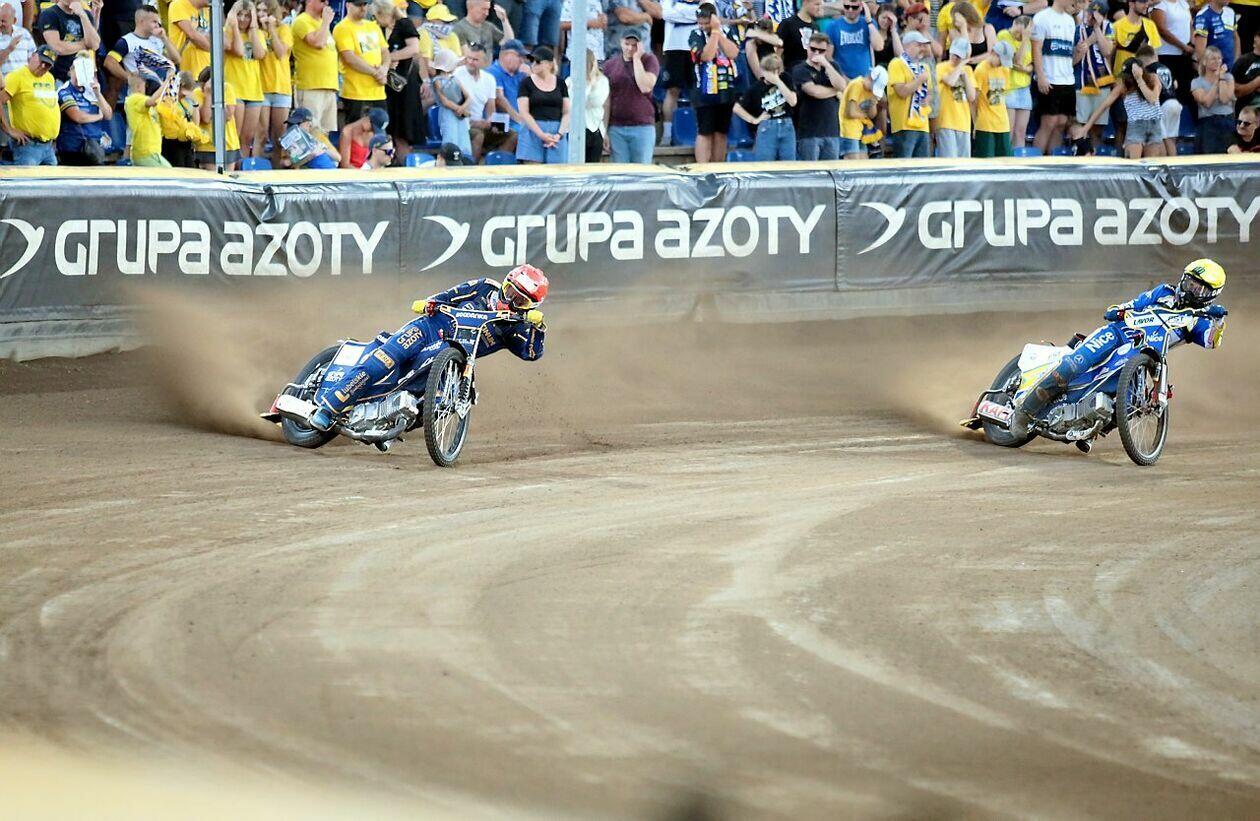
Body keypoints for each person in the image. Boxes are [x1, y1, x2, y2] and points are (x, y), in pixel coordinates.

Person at [307, 265, 550, 431]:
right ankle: (328, 409)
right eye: (510, 292)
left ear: (530, 308)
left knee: (441, 399)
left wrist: (539, 329)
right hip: (425, 330)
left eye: (521, 301)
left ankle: (390, 421)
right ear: (505, 283)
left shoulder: (516, 327)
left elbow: (531, 353)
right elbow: (450, 295)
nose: (511, 301)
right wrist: (429, 303)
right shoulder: (485, 286)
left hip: (452, 357)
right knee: (383, 362)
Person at [1009, 260, 1229, 438]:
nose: (1191, 289)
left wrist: (1219, 323)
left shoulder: (1200, 319)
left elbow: (1211, 341)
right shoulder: (1164, 292)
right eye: (1190, 282)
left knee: (1130, 403)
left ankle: (1090, 427)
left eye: (1199, 288)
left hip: (1143, 356)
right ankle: (1023, 413)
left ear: (1211, 295)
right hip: (1117, 334)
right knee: (1075, 364)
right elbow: (1135, 303)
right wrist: (1117, 309)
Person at [1075, 47, 1165, 156]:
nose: (1126, 79)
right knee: (1134, 159)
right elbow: (1104, 105)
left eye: (1129, 76)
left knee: (1151, 161)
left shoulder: (1153, 78)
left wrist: (1139, 80)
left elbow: (1152, 99)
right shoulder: (1124, 86)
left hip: (1153, 124)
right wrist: (1086, 127)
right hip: (1135, 126)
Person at [689, 2, 740, 162]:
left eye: (706, 23)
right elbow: (707, 56)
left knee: (721, 132)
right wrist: (714, 33)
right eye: (700, 23)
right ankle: (703, 168)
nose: (703, 26)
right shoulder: (695, 34)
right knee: (705, 131)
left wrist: (718, 31)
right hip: (704, 90)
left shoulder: (728, 31)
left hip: (726, 89)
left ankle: (718, 167)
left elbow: (733, 53)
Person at [102, 4, 179, 102]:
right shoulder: (127, 41)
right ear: (142, 22)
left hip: (162, 94)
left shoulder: (158, 40)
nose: (157, 25)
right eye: (154, 22)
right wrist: (129, 78)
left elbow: (176, 59)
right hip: (140, 98)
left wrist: (164, 38)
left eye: (158, 22)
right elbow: (109, 62)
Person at [603, 30, 657, 162]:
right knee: (619, 171)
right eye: (627, 44)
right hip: (616, 127)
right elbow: (606, 101)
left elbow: (645, 86)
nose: (630, 48)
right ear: (621, 42)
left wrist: (637, 59)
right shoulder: (610, 65)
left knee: (642, 170)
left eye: (634, 45)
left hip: (642, 125)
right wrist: (604, 130)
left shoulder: (649, 60)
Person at [0, 45, 58, 165]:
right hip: (28, 145)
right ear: (33, 56)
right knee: (26, 176)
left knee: (53, 177)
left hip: (48, 146)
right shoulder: (17, 76)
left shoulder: (49, 78)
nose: (43, 66)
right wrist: (8, 129)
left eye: (47, 65)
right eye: (41, 61)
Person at [1030, 0, 1075, 154]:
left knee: (1062, 122)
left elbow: (1068, 52)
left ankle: (1053, 161)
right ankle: (1036, 161)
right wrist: (1040, 76)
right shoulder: (1042, 17)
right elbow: (1036, 48)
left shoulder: (1070, 21)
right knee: (1048, 122)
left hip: (1067, 79)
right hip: (1049, 78)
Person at [733, 51, 797, 159]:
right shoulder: (756, 88)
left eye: (775, 71)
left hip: (787, 124)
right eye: (768, 71)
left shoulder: (785, 79)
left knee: (789, 162)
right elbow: (737, 108)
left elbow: (793, 101)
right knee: (765, 162)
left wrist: (778, 81)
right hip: (767, 126)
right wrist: (754, 120)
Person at [224, 0, 267, 159]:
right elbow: (238, 51)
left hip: (253, 91)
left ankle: (242, 167)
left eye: (247, 16)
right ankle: (231, 166)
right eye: (239, 15)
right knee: (234, 135)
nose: (243, 19)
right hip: (234, 90)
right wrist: (234, 26)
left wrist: (254, 29)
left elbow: (260, 54)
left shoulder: (258, 34)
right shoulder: (226, 31)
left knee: (247, 138)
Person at [335, 0, 387, 123]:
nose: (363, 8)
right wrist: (376, 73)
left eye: (365, 4)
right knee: (356, 130)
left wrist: (384, 69)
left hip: (378, 92)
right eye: (358, 5)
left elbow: (385, 51)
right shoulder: (343, 27)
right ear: (348, 5)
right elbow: (349, 58)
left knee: (380, 130)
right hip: (356, 93)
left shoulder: (373, 26)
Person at [290, 0, 337, 134]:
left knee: (325, 133)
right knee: (310, 130)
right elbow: (318, 42)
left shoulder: (321, 23)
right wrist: (326, 22)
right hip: (311, 85)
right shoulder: (302, 21)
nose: (326, 3)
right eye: (322, 1)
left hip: (329, 85)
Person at [57, 50, 113, 164]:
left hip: (93, 148)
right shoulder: (65, 91)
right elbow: (78, 117)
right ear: (71, 71)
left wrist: (98, 94)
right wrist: (98, 116)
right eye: (77, 70)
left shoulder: (91, 91)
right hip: (73, 149)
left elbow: (108, 115)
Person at [515, 44, 569, 161]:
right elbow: (524, 112)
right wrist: (541, 134)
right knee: (532, 169)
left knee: (558, 169)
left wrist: (559, 134)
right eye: (532, 61)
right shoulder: (526, 83)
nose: (534, 64)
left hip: (556, 132)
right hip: (533, 130)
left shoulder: (560, 83)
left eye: (538, 62)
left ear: (549, 64)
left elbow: (566, 112)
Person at [1074, 1, 1113, 152]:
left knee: (1098, 127)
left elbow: (1107, 51)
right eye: (1090, 13)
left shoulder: (1108, 27)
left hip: (1102, 82)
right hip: (1082, 82)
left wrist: (1097, 29)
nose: (1091, 17)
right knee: (1082, 124)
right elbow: (1073, 61)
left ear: (1104, 16)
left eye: (1095, 14)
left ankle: (1096, 158)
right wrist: (1084, 46)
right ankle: (1082, 155)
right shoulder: (1077, 29)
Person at [257, 0, 292, 166]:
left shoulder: (284, 29)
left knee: (280, 137)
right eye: (258, 10)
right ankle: (255, 168)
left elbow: (280, 53)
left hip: (281, 87)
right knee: (261, 134)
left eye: (265, 10)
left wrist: (271, 29)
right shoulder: (255, 31)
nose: (261, 14)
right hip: (261, 87)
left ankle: (277, 170)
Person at [659, 0, 699, 145]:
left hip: (697, 45)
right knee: (672, 91)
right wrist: (693, 15)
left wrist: (679, 11)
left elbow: (707, 13)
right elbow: (666, 14)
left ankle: (699, 132)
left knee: (697, 91)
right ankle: (667, 134)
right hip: (673, 46)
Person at [888, 29, 931, 156]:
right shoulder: (896, 63)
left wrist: (927, 99)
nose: (923, 49)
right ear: (908, 46)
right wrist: (919, 80)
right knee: (905, 164)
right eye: (919, 45)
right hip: (903, 125)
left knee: (922, 165)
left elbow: (930, 93)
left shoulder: (924, 67)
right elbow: (901, 91)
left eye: (923, 45)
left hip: (923, 125)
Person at [35, 0, 100, 82]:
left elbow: (95, 45)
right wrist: (85, 45)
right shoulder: (49, 14)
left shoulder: (86, 15)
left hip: (83, 74)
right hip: (59, 75)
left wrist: (82, 15)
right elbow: (57, 47)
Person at [1151, 0, 1195, 117]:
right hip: (1166, 55)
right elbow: (1162, 30)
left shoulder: (1183, 3)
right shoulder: (1160, 4)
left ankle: (1183, 123)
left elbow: (1190, 25)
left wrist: (1191, 43)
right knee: (1168, 92)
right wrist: (1183, 46)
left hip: (1184, 55)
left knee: (1184, 90)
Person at [821, 0, 884, 80]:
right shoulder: (832, 26)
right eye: (847, 7)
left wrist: (869, 22)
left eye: (854, 7)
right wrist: (842, 77)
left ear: (861, 7)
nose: (850, 10)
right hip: (842, 78)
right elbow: (828, 57)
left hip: (864, 79)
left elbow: (878, 47)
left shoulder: (868, 23)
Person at [194, 65, 241, 170]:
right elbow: (206, 118)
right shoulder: (197, 93)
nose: (202, 89)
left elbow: (228, 116)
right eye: (201, 86)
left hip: (228, 144)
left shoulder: (227, 89)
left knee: (228, 177)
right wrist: (208, 95)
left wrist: (218, 95)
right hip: (207, 146)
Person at [1192, 44, 1237, 152]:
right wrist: (1217, 81)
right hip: (1208, 123)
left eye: (1219, 58)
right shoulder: (1197, 82)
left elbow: (1224, 99)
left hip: (1227, 120)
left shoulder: (1228, 77)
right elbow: (1207, 102)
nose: (1217, 61)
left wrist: (1221, 78)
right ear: (1204, 62)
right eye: (1213, 58)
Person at [568, 48, 608, 161]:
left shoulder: (601, 81)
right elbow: (573, 104)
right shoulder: (570, 81)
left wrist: (591, 83)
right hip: (574, 131)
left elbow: (595, 101)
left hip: (594, 130)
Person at [974, 37, 1013, 155]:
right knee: (987, 159)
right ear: (993, 53)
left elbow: (1003, 96)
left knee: (1006, 160)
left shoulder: (1005, 70)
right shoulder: (981, 69)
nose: (1001, 64)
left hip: (1003, 123)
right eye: (1000, 60)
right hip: (985, 124)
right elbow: (974, 100)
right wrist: (975, 122)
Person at [998, 13, 1031, 148]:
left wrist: (1024, 69)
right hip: (1009, 88)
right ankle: (1005, 157)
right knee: (1009, 131)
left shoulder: (1028, 39)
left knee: (1020, 132)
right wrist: (1024, 40)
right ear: (1016, 24)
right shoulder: (1004, 35)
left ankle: (1019, 159)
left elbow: (1031, 65)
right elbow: (1016, 61)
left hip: (1024, 88)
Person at [125, 70, 172, 165]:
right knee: (169, 173)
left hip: (151, 152)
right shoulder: (134, 98)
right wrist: (167, 81)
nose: (146, 87)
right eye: (145, 85)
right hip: (146, 152)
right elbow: (153, 101)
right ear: (138, 86)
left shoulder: (140, 100)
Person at [157, 69, 202, 166]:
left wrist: (195, 104)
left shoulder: (186, 102)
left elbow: (195, 124)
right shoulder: (166, 100)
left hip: (185, 144)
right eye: (183, 92)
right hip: (171, 144)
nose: (184, 96)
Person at [839, 64, 886, 157]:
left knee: (863, 161)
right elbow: (851, 113)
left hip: (861, 131)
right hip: (849, 131)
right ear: (870, 78)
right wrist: (864, 115)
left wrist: (873, 100)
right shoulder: (857, 85)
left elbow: (872, 115)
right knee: (853, 161)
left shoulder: (871, 91)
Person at [488, 37, 529, 142]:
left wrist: (531, 76)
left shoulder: (520, 74)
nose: (522, 61)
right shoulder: (493, 72)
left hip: (519, 122)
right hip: (502, 123)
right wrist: (519, 119)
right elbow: (499, 99)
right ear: (507, 55)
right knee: (524, 134)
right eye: (519, 56)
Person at [168, 0, 212, 83]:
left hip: (207, 74)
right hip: (186, 76)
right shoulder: (178, 5)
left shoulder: (208, 9)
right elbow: (192, 35)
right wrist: (213, 49)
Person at [1193, 0, 1239, 70]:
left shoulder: (1231, 12)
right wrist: (1213, 72)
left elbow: (1235, 38)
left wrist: (1236, 61)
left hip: (1230, 69)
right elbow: (1200, 52)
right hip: (1213, 71)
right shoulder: (1202, 16)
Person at [560, 0, 604, 65]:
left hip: (598, 54)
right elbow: (562, 24)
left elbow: (600, 24)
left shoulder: (597, 2)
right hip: (577, 54)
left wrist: (603, 21)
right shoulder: (570, 2)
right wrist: (587, 24)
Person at [0, 6, 34, 78]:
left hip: (24, 80)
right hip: (4, 82)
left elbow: (33, 59)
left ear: (14, 21)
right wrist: (8, 49)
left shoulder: (24, 33)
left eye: (3, 21)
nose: (0, 24)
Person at [1234, 30, 1260, 110]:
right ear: (1255, 38)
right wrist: (1256, 83)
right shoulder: (1243, 61)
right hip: (1246, 112)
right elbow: (1235, 91)